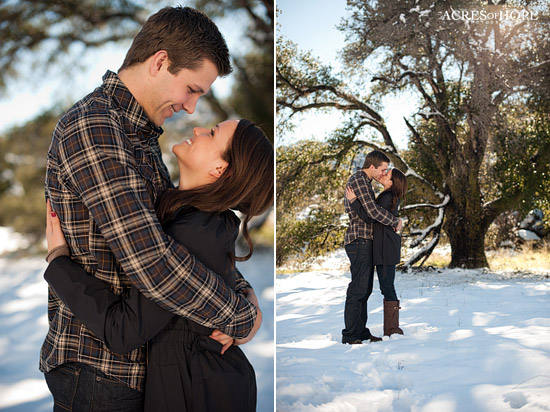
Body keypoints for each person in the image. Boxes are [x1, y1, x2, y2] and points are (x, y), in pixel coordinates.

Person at [42, 6, 263, 411]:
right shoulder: (96, 128)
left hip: (137, 369)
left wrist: (244, 293)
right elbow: (155, 264)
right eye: (192, 89)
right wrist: (240, 316)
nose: (192, 108)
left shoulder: (138, 137)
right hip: (99, 372)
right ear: (161, 61)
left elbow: (186, 248)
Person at [44, 119, 273, 412]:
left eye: (212, 133)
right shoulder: (204, 220)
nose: (198, 129)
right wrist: (247, 306)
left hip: (196, 391)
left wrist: (60, 262)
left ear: (220, 169)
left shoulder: (195, 231)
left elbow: (122, 331)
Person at [342, 150, 402, 345]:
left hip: (364, 240)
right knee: (358, 289)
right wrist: (394, 221)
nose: (383, 173)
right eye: (383, 169)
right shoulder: (359, 179)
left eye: (386, 171)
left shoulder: (365, 183)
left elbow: (370, 213)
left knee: (364, 289)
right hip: (359, 239)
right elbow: (372, 212)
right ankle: (351, 334)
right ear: (372, 166)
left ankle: (360, 331)